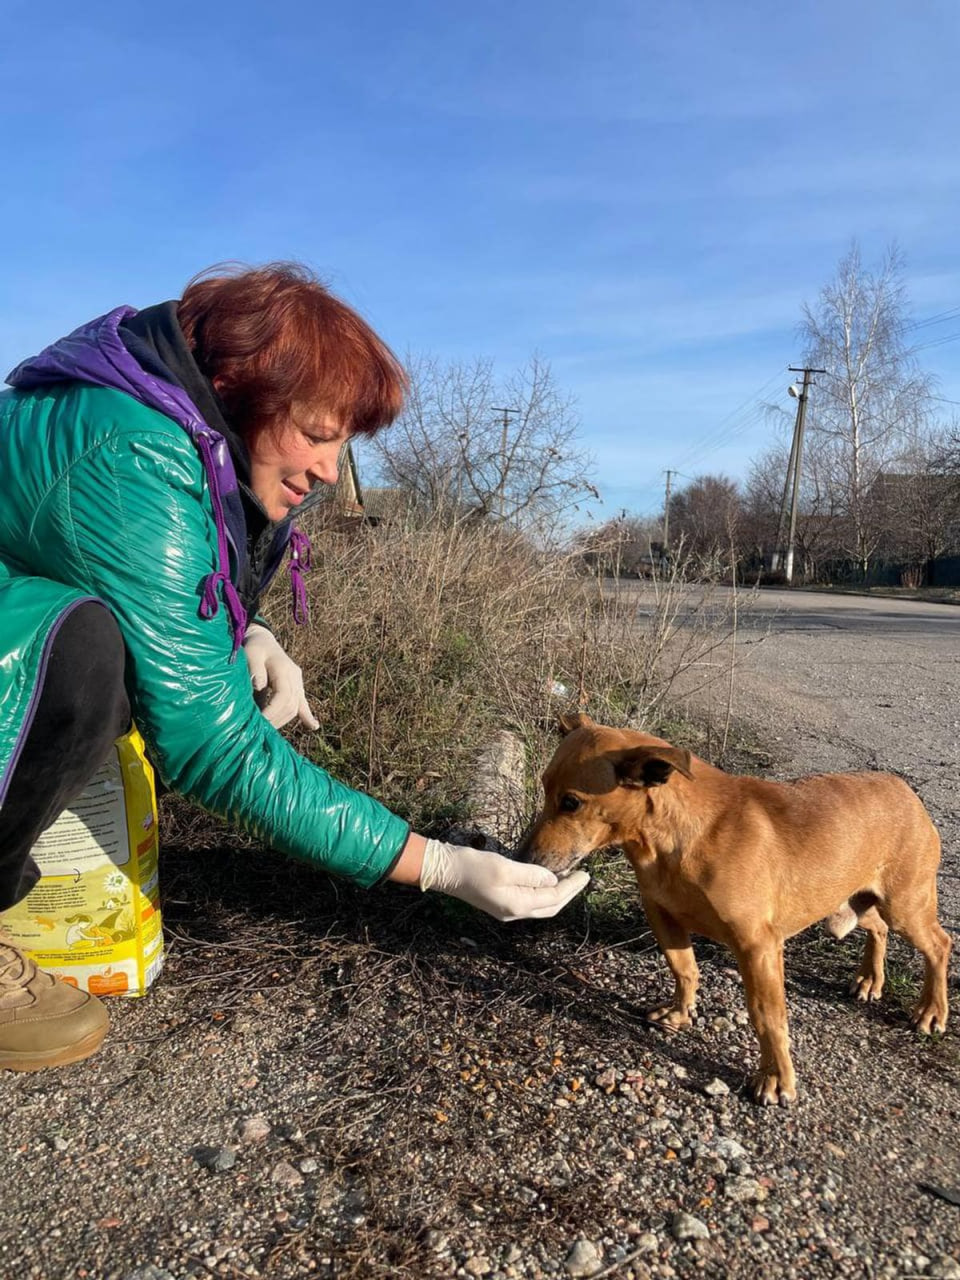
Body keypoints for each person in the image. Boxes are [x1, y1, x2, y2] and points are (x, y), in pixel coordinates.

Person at [0, 262, 589, 1072]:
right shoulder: (129, 453)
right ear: (237, 385)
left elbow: (172, 581)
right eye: (315, 435)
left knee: (101, 646)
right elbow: (211, 743)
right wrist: (435, 865)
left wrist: (253, 630)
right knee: (80, 655)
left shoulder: (178, 430)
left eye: (338, 446)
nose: (325, 471)